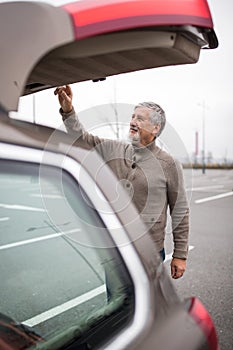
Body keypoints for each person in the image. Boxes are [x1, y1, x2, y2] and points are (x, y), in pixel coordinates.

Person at [54, 85, 189, 279]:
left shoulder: (169, 165)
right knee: (117, 304)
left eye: (140, 118)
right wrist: (68, 110)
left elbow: (180, 211)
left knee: (146, 306)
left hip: (149, 252)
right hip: (116, 248)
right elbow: (81, 138)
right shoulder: (114, 149)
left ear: (155, 128)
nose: (133, 121)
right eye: (133, 116)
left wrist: (180, 255)